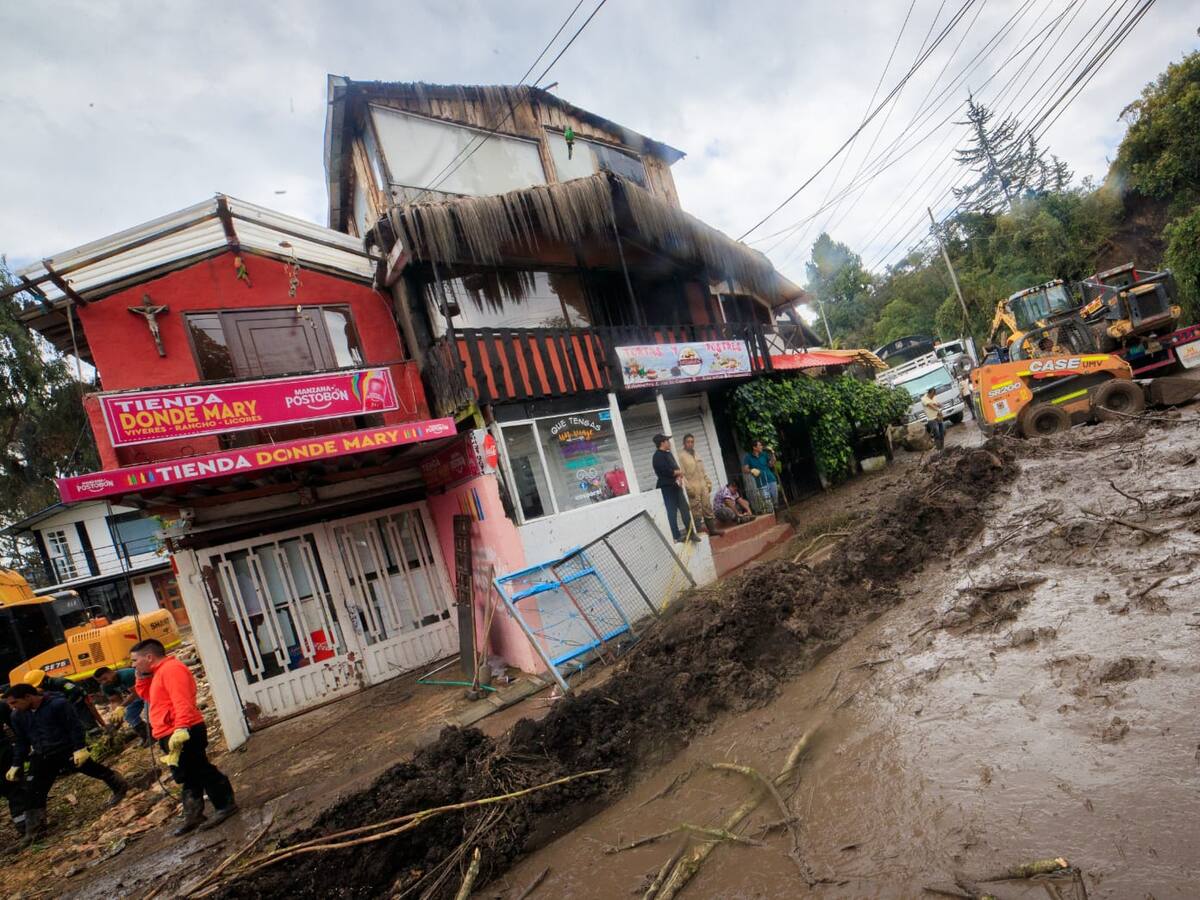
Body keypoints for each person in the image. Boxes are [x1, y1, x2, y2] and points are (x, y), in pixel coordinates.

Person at [131, 638, 236, 835]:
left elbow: (183, 701)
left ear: (149, 657)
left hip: (183, 731)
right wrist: (141, 675)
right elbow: (147, 696)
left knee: (201, 769)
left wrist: (181, 728)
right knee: (186, 775)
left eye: (135, 661)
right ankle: (193, 815)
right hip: (169, 732)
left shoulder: (172, 669)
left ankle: (225, 805)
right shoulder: (157, 673)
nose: (133, 665)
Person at [4, 683, 128, 846]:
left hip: (66, 748)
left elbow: (74, 727)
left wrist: (80, 748)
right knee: (33, 790)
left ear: (28, 697)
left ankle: (119, 785)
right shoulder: (18, 716)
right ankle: (34, 831)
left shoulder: (57, 704)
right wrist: (16, 764)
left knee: (91, 769)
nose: (13, 707)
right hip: (42, 754)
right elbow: (21, 741)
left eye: (15, 703)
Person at [651, 434, 699, 543]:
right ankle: (676, 536)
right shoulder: (657, 456)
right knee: (671, 513)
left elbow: (676, 468)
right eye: (667, 441)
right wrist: (677, 472)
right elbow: (665, 471)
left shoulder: (668, 454)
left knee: (685, 509)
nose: (669, 443)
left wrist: (679, 475)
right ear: (662, 443)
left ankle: (691, 533)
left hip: (676, 486)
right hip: (667, 488)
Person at [24, 668, 102, 732]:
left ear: (43, 680)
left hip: (79, 704)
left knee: (88, 723)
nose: (39, 687)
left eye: (39, 685)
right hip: (70, 707)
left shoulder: (60, 682)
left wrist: (65, 702)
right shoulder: (48, 687)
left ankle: (96, 732)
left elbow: (75, 691)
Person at [678, 433, 723, 536]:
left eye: (692, 442)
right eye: (688, 442)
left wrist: (708, 482)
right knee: (696, 511)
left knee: (707, 507)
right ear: (684, 443)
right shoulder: (681, 456)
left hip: (703, 486)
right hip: (693, 488)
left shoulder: (697, 454)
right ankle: (698, 533)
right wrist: (688, 489)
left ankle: (712, 530)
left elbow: (702, 471)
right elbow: (682, 475)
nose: (690, 444)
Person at [94, 666, 151, 747]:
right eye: (100, 681)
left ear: (111, 672)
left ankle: (160, 732)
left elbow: (135, 693)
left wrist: (121, 706)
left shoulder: (127, 674)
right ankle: (147, 736)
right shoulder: (105, 686)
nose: (104, 682)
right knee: (129, 715)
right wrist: (116, 714)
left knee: (149, 713)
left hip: (148, 691)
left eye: (105, 678)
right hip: (136, 697)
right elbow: (115, 700)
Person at [742, 440, 780, 509]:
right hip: (761, 483)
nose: (761, 447)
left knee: (775, 500)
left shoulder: (764, 454)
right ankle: (772, 516)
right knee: (768, 503)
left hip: (771, 479)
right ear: (754, 447)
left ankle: (776, 513)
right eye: (759, 445)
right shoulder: (748, 457)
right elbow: (745, 470)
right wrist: (752, 470)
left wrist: (773, 454)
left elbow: (771, 465)